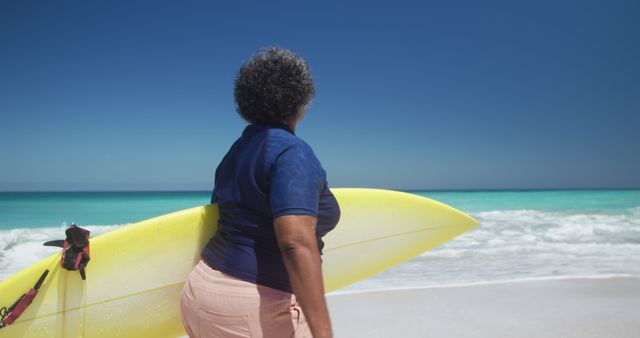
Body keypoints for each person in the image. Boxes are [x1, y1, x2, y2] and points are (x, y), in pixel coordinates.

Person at [180, 47, 341, 338]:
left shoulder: (236, 152)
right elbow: (295, 242)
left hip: (201, 291)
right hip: (253, 306)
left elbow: (219, 219)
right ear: (302, 102)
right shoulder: (294, 153)